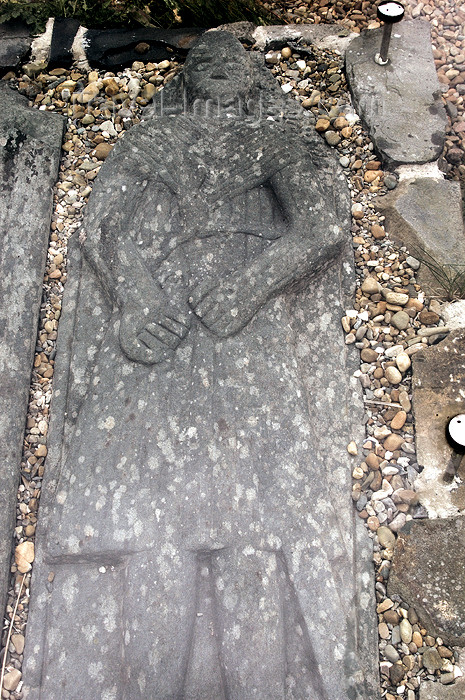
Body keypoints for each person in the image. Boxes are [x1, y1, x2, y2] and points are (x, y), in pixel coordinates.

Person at [23, 31, 377, 700]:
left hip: (245, 327)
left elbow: (320, 226)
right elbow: (103, 223)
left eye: (232, 57)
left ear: (254, 73)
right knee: (152, 521)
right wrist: (136, 299)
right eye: (202, 58)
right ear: (184, 79)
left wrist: (252, 283)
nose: (217, 65)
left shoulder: (275, 136)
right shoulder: (158, 138)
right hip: (164, 325)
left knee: (260, 523)